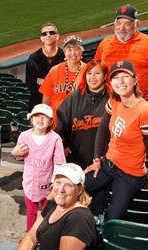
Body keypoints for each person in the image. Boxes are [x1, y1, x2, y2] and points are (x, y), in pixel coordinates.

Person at [83, 60, 148, 221]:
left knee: (112, 218)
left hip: (130, 175)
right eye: (116, 78)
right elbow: (102, 130)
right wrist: (97, 159)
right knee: (74, 190)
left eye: (125, 76)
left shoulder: (145, 111)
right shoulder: (114, 101)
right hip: (107, 165)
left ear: (135, 80)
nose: (120, 82)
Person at [55, 59, 111, 216]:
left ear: (105, 75)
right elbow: (61, 125)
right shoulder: (73, 98)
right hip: (77, 161)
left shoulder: (113, 99)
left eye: (97, 73)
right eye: (89, 73)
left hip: (102, 164)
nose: (92, 77)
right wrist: (64, 144)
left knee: (97, 205)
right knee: (75, 204)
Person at [94, 4, 148, 107]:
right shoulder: (105, 43)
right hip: (111, 103)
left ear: (136, 24)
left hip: (141, 104)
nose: (121, 28)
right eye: (118, 23)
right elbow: (96, 71)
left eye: (127, 24)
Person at [11, 103, 66, 232]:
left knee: (48, 212)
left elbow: (59, 164)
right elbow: (19, 156)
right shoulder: (24, 136)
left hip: (48, 184)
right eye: (37, 116)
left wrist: (56, 183)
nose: (40, 119)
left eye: (44, 117)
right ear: (31, 119)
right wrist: (15, 153)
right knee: (31, 210)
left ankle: (45, 236)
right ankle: (30, 235)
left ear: (51, 121)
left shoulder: (55, 139)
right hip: (30, 183)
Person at [16, 163, 97, 249]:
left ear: (80, 190)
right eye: (58, 182)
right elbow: (31, 237)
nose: (61, 190)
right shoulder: (53, 203)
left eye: (68, 185)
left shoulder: (79, 218)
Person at [39, 35, 87, 128]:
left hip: (79, 122)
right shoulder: (54, 70)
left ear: (81, 52)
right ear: (64, 52)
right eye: (69, 50)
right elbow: (45, 101)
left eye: (76, 49)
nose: (73, 53)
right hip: (56, 122)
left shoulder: (88, 71)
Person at [25, 23, 65, 112]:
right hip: (38, 102)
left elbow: (67, 81)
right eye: (45, 34)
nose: (48, 36)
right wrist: (54, 84)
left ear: (57, 36)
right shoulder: (34, 58)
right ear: (41, 38)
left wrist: (45, 82)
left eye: (51, 33)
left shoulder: (65, 56)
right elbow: (31, 86)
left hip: (61, 102)